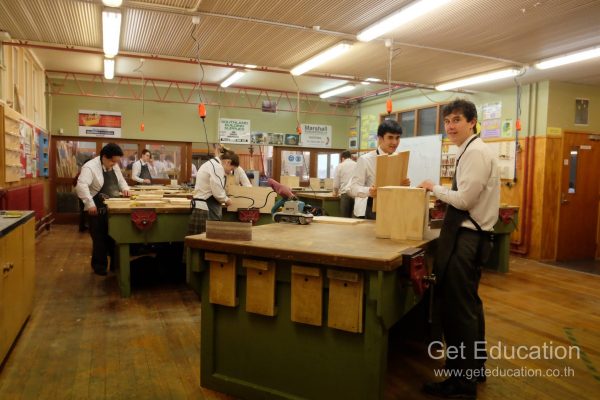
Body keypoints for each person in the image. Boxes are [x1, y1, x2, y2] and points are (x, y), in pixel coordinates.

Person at [418, 99, 500, 399]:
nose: (450, 126)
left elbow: (465, 200)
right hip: (469, 236)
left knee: (458, 311)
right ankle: (474, 368)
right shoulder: (468, 150)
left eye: (456, 120)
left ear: (472, 122)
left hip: (468, 239)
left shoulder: (475, 152)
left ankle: (462, 383)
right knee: (469, 307)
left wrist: (434, 188)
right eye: (447, 121)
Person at [76, 143, 130, 276]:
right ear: (104, 157)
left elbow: (121, 181)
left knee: (114, 237)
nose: (114, 164)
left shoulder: (114, 165)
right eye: (112, 161)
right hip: (96, 207)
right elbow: (81, 186)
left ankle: (115, 266)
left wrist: (125, 189)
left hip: (113, 207)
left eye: (116, 162)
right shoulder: (90, 167)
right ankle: (99, 266)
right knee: (99, 238)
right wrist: (89, 204)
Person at [348, 119, 410, 219]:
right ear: (380, 138)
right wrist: (369, 191)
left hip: (392, 209)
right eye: (390, 137)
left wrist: (403, 185)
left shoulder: (399, 159)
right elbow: (352, 188)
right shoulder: (365, 159)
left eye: (397, 138)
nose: (395, 142)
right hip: (368, 210)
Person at [187, 150, 237, 235]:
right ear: (228, 162)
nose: (230, 172)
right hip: (206, 210)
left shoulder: (211, 164)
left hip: (202, 207)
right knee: (206, 239)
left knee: (199, 240)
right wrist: (227, 200)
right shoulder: (217, 167)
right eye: (231, 169)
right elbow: (218, 192)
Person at [332, 150, 356, 218]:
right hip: (355, 194)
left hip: (345, 194)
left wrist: (335, 193)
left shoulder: (340, 166)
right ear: (350, 157)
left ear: (342, 158)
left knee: (344, 218)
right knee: (354, 218)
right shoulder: (356, 165)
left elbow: (336, 184)